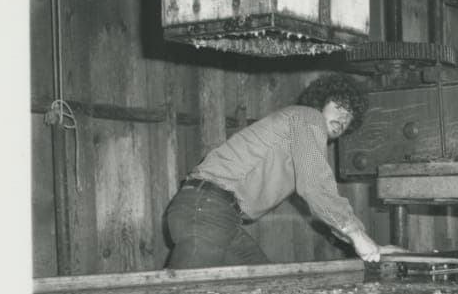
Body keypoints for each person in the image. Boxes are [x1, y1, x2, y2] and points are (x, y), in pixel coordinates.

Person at [164, 73, 400, 269]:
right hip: (206, 208)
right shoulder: (308, 117)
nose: (343, 117)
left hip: (219, 215)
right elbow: (316, 187)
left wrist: (371, 246)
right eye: (339, 106)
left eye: (349, 117)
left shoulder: (304, 139)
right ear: (320, 103)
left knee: (264, 284)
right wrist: (358, 235)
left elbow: (321, 200)